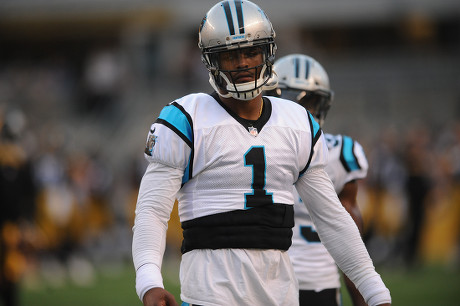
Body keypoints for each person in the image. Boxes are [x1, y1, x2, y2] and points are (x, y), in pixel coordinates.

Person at [132, 1, 391, 306]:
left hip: (280, 297)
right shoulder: (186, 118)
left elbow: (332, 219)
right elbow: (152, 211)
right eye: (229, 54)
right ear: (211, 60)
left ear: (267, 52)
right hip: (208, 298)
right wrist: (149, 281)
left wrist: (375, 292)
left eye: (251, 51)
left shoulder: (297, 122)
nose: (242, 63)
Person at [269, 54, 368, 305]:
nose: (307, 111)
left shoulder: (251, 148)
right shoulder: (340, 152)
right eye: (304, 102)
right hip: (271, 282)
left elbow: (350, 241)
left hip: (309, 281)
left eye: (313, 101)